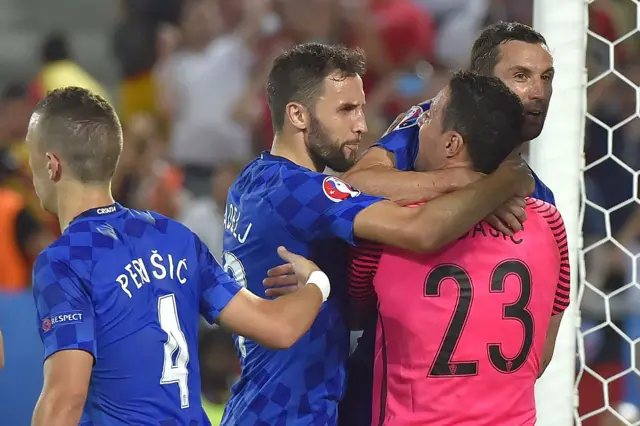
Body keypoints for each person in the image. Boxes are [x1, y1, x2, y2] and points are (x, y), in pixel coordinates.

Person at [220, 42, 533, 425]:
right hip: (287, 415)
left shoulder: (252, 181)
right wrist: (500, 182)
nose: (362, 125)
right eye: (346, 110)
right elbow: (422, 230)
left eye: (361, 108)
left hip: (261, 405)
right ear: (298, 115)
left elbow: (352, 194)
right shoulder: (297, 190)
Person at [27, 87, 335, 426]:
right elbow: (278, 328)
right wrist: (318, 282)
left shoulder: (64, 260)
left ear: (51, 164)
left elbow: (65, 399)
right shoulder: (174, 237)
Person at [338, 22, 557, 425]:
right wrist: (472, 186)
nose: (538, 92)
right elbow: (353, 183)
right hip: (379, 395)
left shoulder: (539, 202)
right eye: (521, 76)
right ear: (482, 83)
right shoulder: (428, 126)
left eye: (546, 78)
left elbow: (538, 353)